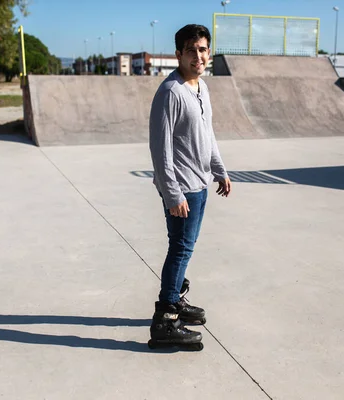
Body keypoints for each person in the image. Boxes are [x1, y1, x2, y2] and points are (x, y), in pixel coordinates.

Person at [148, 24, 232, 347]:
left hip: (199, 185)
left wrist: (220, 170)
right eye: (191, 50)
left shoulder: (201, 89)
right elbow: (160, 148)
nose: (198, 56)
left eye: (203, 49)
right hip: (182, 190)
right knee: (180, 248)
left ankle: (176, 298)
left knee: (183, 247)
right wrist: (172, 193)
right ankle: (165, 318)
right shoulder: (171, 92)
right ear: (178, 54)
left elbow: (207, 135)